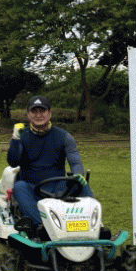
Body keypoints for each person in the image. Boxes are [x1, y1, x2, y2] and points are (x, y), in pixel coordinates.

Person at [7, 95, 94, 227]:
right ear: (28, 115)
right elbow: (13, 162)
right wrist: (15, 140)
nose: (38, 115)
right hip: (32, 188)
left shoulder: (64, 136)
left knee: (82, 183)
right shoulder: (21, 136)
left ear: (49, 113)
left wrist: (78, 174)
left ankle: (94, 225)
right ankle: (41, 225)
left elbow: (75, 162)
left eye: (42, 111)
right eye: (34, 111)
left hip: (59, 187)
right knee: (19, 187)